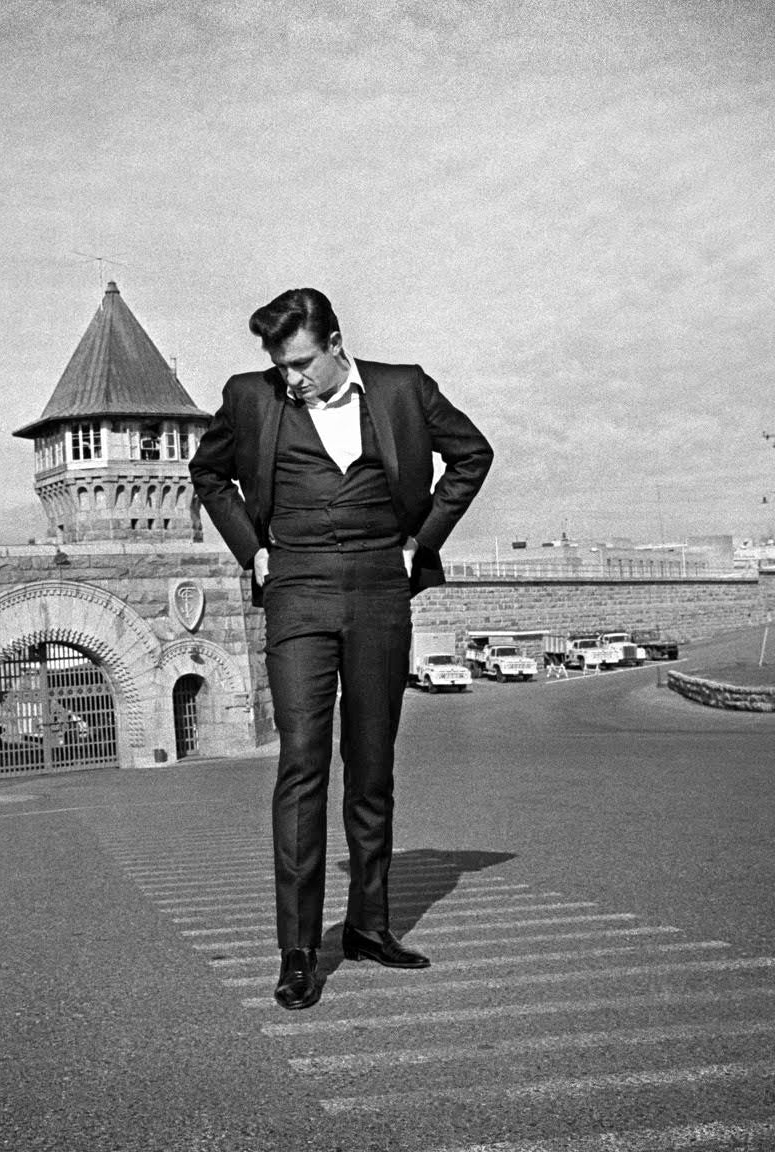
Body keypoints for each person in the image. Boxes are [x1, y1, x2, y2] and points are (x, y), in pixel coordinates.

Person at [189, 287, 493, 1010]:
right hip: (297, 591)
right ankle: (298, 951)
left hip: (381, 594)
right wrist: (251, 548)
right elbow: (210, 473)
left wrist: (425, 538)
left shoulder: (403, 389)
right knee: (301, 762)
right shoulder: (251, 398)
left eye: (299, 362)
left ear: (334, 344)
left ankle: (369, 925)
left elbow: (472, 455)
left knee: (372, 763)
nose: (289, 377)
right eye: (279, 364)